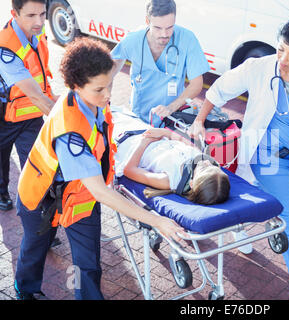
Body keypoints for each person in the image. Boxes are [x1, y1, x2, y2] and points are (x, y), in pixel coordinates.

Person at [14, 38, 186, 300]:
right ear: (75, 86)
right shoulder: (70, 133)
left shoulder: (91, 102)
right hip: (41, 197)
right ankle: (25, 289)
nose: (107, 96)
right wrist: (155, 220)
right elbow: (102, 193)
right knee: (35, 247)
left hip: (78, 197)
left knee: (88, 265)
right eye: (99, 90)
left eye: (109, 86)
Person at [189, 17, 289, 300]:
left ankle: (241, 228)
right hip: (264, 150)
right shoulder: (260, 67)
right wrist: (199, 119)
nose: (282, 59)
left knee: (258, 197)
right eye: (280, 49)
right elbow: (221, 88)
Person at [110, 0, 210, 124]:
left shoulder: (187, 39)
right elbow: (108, 71)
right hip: (139, 115)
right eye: (157, 28)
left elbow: (196, 84)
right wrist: (105, 99)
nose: (164, 34)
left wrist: (171, 108)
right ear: (147, 21)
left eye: (169, 27)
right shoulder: (133, 40)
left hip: (172, 116)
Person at [0, 0, 58, 211]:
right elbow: (35, 96)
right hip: (4, 117)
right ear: (14, 13)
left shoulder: (39, 33)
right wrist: (65, 122)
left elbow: (41, 74)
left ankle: (40, 224)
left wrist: (53, 97)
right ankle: (1, 193)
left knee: (35, 169)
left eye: (42, 14)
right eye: (31, 15)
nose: (39, 21)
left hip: (30, 116)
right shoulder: (6, 47)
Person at [115, 126, 230, 205]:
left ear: (191, 183)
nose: (206, 162)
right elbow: (189, 145)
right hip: (144, 130)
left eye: (204, 167)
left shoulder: (169, 180)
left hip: (125, 140)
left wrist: (145, 142)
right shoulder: (199, 162)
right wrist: (166, 133)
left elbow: (129, 170)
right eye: (212, 165)